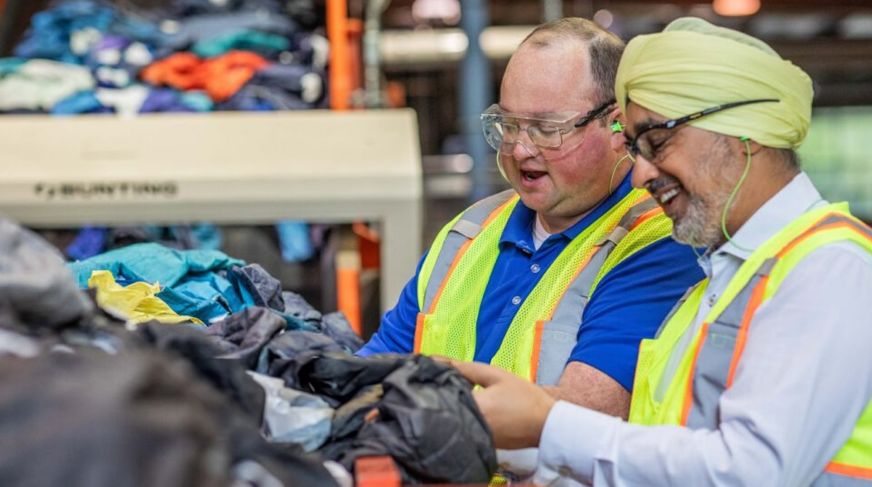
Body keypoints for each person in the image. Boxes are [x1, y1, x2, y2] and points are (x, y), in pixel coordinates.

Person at [449, 17, 872, 486]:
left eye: (657, 143)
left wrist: (549, 425)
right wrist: (527, 447)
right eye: (635, 148)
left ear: (741, 135)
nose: (640, 176)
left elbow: (749, 471)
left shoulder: (828, 269)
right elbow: (666, 448)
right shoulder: (720, 283)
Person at [359, 17, 703, 422]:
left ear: (616, 124)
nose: (520, 150)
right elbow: (373, 374)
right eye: (507, 125)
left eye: (545, 128)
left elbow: (579, 420)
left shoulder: (656, 243)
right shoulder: (473, 229)